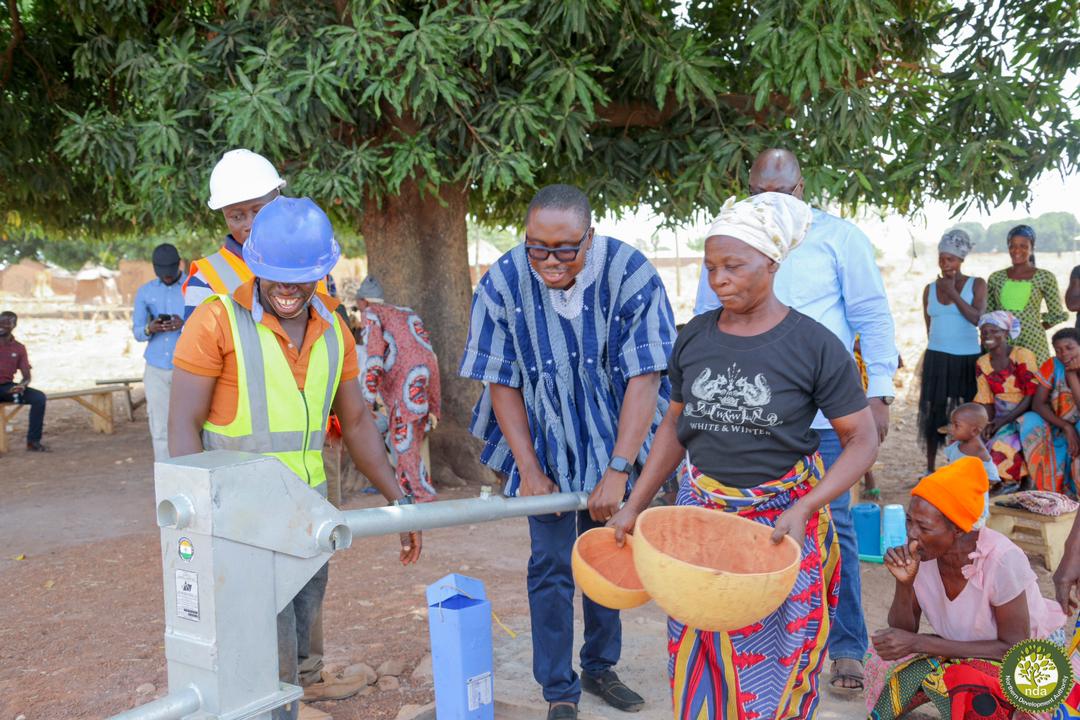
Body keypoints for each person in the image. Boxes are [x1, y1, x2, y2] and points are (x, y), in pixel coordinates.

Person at [610, 192, 878, 719]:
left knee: (777, 659)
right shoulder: (695, 339)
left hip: (779, 524)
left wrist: (805, 507)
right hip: (700, 521)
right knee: (699, 641)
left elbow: (862, 440)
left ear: (772, 264)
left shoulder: (815, 345)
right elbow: (674, 426)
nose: (719, 279)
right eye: (711, 266)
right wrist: (634, 501)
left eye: (734, 265)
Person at [169, 196, 422, 719]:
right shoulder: (216, 322)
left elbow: (355, 423)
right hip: (239, 514)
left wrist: (401, 501)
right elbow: (182, 426)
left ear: (322, 272)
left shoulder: (334, 328)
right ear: (254, 264)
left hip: (308, 513)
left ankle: (294, 695)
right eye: (274, 278)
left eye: (300, 280)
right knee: (266, 645)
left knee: (303, 622)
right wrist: (198, 520)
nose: (287, 292)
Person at [459, 184, 676, 720]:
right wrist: (531, 471)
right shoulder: (503, 282)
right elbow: (500, 380)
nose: (550, 261)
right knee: (552, 563)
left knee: (605, 553)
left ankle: (601, 665)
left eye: (564, 249)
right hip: (543, 440)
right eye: (538, 247)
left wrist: (619, 469)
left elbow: (644, 377)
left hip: (616, 436)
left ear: (590, 237)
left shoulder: (632, 274)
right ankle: (559, 687)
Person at [693, 148, 898, 696]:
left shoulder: (838, 237)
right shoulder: (731, 237)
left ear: (801, 190)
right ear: (750, 187)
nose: (772, 203)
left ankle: (847, 646)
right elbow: (703, 317)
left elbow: (871, 312)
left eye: (782, 194)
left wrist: (879, 391)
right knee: (748, 521)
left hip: (828, 415)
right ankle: (753, 635)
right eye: (761, 193)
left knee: (835, 524)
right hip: (752, 415)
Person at [865, 457, 1067, 719]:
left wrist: (919, 643)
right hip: (964, 650)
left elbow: (1013, 647)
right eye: (909, 521)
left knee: (967, 681)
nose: (912, 534)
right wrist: (904, 585)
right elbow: (903, 632)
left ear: (959, 530)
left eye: (923, 526)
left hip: (1028, 661)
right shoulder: (923, 554)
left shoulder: (1002, 559)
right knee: (882, 654)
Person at [182, 149, 327, 317]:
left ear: (279, 201)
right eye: (237, 216)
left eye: (259, 212)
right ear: (225, 216)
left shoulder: (314, 263)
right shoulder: (206, 279)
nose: (251, 225)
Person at [353, 275, 441, 502]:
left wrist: (366, 399)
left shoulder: (372, 314)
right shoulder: (407, 312)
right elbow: (426, 351)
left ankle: (421, 498)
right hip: (423, 382)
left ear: (363, 302)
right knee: (406, 444)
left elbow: (374, 360)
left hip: (404, 391)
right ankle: (410, 494)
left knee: (404, 447)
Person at [918, 229, 987, 474]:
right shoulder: (929, 289)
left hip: (967, 358)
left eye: (951, 259)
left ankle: (965, 466)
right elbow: (930, 326)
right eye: (942, 258)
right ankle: (929, 469)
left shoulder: (976, 284)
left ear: (961, 260)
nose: (945, 263)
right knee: (934, 412)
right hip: (937, 356)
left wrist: (953, 293)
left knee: (966, 414)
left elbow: (976, 318)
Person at [975, 312, 1042, 491]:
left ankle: (1018, 482)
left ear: (1006, 333)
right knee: (975, 440)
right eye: (984, 332)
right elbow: (986, 398)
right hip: (999, 413)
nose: (987, 335)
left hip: (1026, 411)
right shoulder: (982, 362)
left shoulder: (1022, 355)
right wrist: (988, 423)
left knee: (1000, 445)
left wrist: (1000, 422)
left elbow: (1030, 395)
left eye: (994, 330)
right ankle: (1004, 483)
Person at [132, 243, 185, 461]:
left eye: (171, 272)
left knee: (191, 423)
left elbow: (209, 324)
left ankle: (195, 475)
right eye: (163, 273)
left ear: (178, 264)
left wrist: (184, 324)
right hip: (156, 369)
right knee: (160, 427)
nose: (168, 277)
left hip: (188, 367)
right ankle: (167, 479)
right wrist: (149, 328)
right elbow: (137, 331)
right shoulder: (145, 292)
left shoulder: (194, 288)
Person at [986, 224, 1067, 364]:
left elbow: (1056, 314)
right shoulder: (996, 278)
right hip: (1004, 343)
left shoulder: (1045, 277)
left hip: (1033, 343)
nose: (1017, 250)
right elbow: (989, 314)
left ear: (1032, 248)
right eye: (1013, 246)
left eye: (1023, 246)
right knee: (1005, 382)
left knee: (1035, 382)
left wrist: (1032, 327)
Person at [1026, 327, 1080, 495]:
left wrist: (1071, 375)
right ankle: (1048, 489)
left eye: (1069, 348)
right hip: (1057, 421)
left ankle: (1074, 489)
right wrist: (1066, 426)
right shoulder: (1053, 364)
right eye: (1058, 350)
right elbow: (1038, 404)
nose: (1063, 354)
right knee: (1028, 420)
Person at [0, 311, 48, 451]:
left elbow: (27, 376)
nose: (1, 326)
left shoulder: (19, 348)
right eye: (0, 322)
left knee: (39, 398)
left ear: (14, 325)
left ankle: (33, 442)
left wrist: (21, 386)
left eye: (6, 323)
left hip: (8, 388)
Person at [942, 403, 996, 525]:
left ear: (974, 431)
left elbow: (992, 479)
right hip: (956, 500)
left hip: (974, 507)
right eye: (952, 424)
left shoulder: (980, 453)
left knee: (971, 535)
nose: (951, 428)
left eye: (957, 425)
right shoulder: (956, 446)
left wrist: (970, 480)